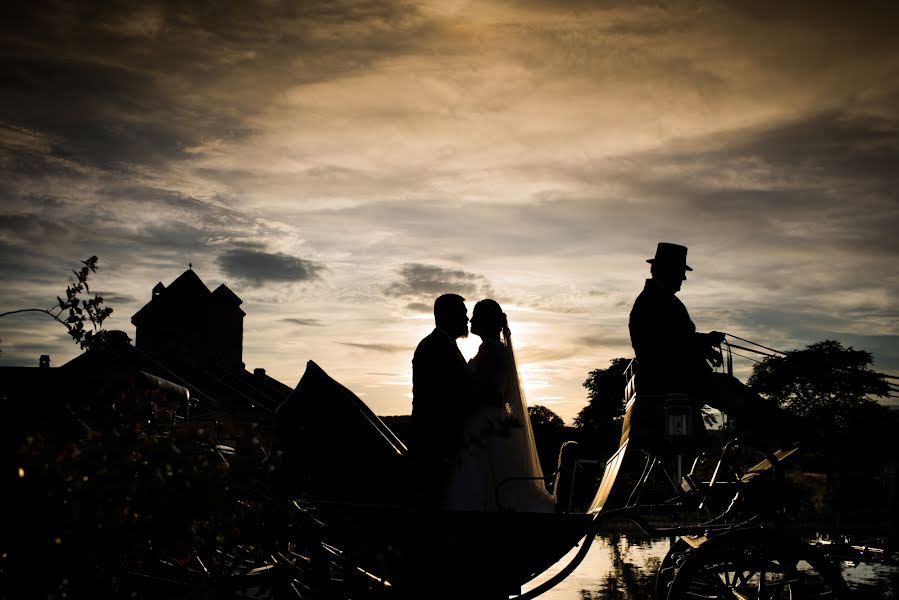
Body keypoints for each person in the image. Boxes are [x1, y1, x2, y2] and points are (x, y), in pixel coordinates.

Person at [629, 242, 791, 447]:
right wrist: (705, 342)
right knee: (723, 387)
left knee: (727, 384)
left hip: (670, 376)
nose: (684, 278)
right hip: (670, 379)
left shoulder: (656, 299)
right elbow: (670, 343)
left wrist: (704, 346)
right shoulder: (657, 301)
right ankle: (774, 426)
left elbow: (674, 340)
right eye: (680, 272)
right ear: (667, 271)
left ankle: (771, 424)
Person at [444, 299, 554, 512]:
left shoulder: (489, 350)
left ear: (484, 321)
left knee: (483, 477)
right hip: (495, 420)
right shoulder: (496, 349)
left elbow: (487, 391)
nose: (471, 319)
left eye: (475, 315)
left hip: (485, 423)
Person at [411, 293, 475, 506]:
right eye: (462, 314)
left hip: (444, 443)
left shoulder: (446, 345)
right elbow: (433, 399)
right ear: (447, 315)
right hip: (436, 442)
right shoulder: (432, 347)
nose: (467, 319)